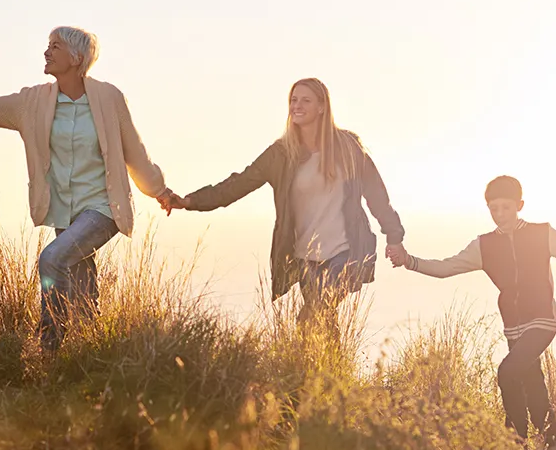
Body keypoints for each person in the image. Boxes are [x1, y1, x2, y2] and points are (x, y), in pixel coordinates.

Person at [0, 26, 177, 351]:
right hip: (65, 211)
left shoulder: (108, 99)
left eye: (54, 47)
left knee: (52, 259)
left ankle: (49, 349)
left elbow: (135, 151)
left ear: (76, 58)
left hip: (103, 208)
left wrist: (159, 190)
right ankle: (91, 357)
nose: (46, 52)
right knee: (82, 293)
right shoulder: (34, 102)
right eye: (48, 46)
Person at [167, 78, 404, 344]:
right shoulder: (281, 154)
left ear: (322, 107)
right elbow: (237, 185)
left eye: (305, 100)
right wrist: (190, 201)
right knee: (319, 320)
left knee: (313, 315)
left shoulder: (348, 148)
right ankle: (331, 378)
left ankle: (325, 378)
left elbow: (378, 198)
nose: (297, 105)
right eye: (293, 100)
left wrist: (395, 238)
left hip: (345, 252)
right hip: (304, 257)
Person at [387, 176, 556, 442]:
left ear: (520, 205)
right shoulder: (484, 245)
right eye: (494, 209)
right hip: (513, 327)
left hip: (542, 321)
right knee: (532, 383)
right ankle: (553, 445)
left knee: (508, 372)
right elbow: (446, 267)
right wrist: (409, 261)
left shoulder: (543, 233)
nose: (500, 214)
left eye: (506, 207)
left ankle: (515, 442)